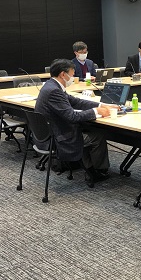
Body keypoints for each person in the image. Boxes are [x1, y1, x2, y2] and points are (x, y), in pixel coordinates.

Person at [35, 59, 115, 188]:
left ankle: (88, 166)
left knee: (88, 129)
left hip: (47, 133)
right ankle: (98, 171)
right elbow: (72, 116)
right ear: (63, 74)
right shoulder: (54, 91)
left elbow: (75, 102)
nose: (73, 77)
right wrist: (96, 111)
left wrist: (101, 105)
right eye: (72, 74)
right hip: (56, 138)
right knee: (97, 136)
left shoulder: (51, 85)